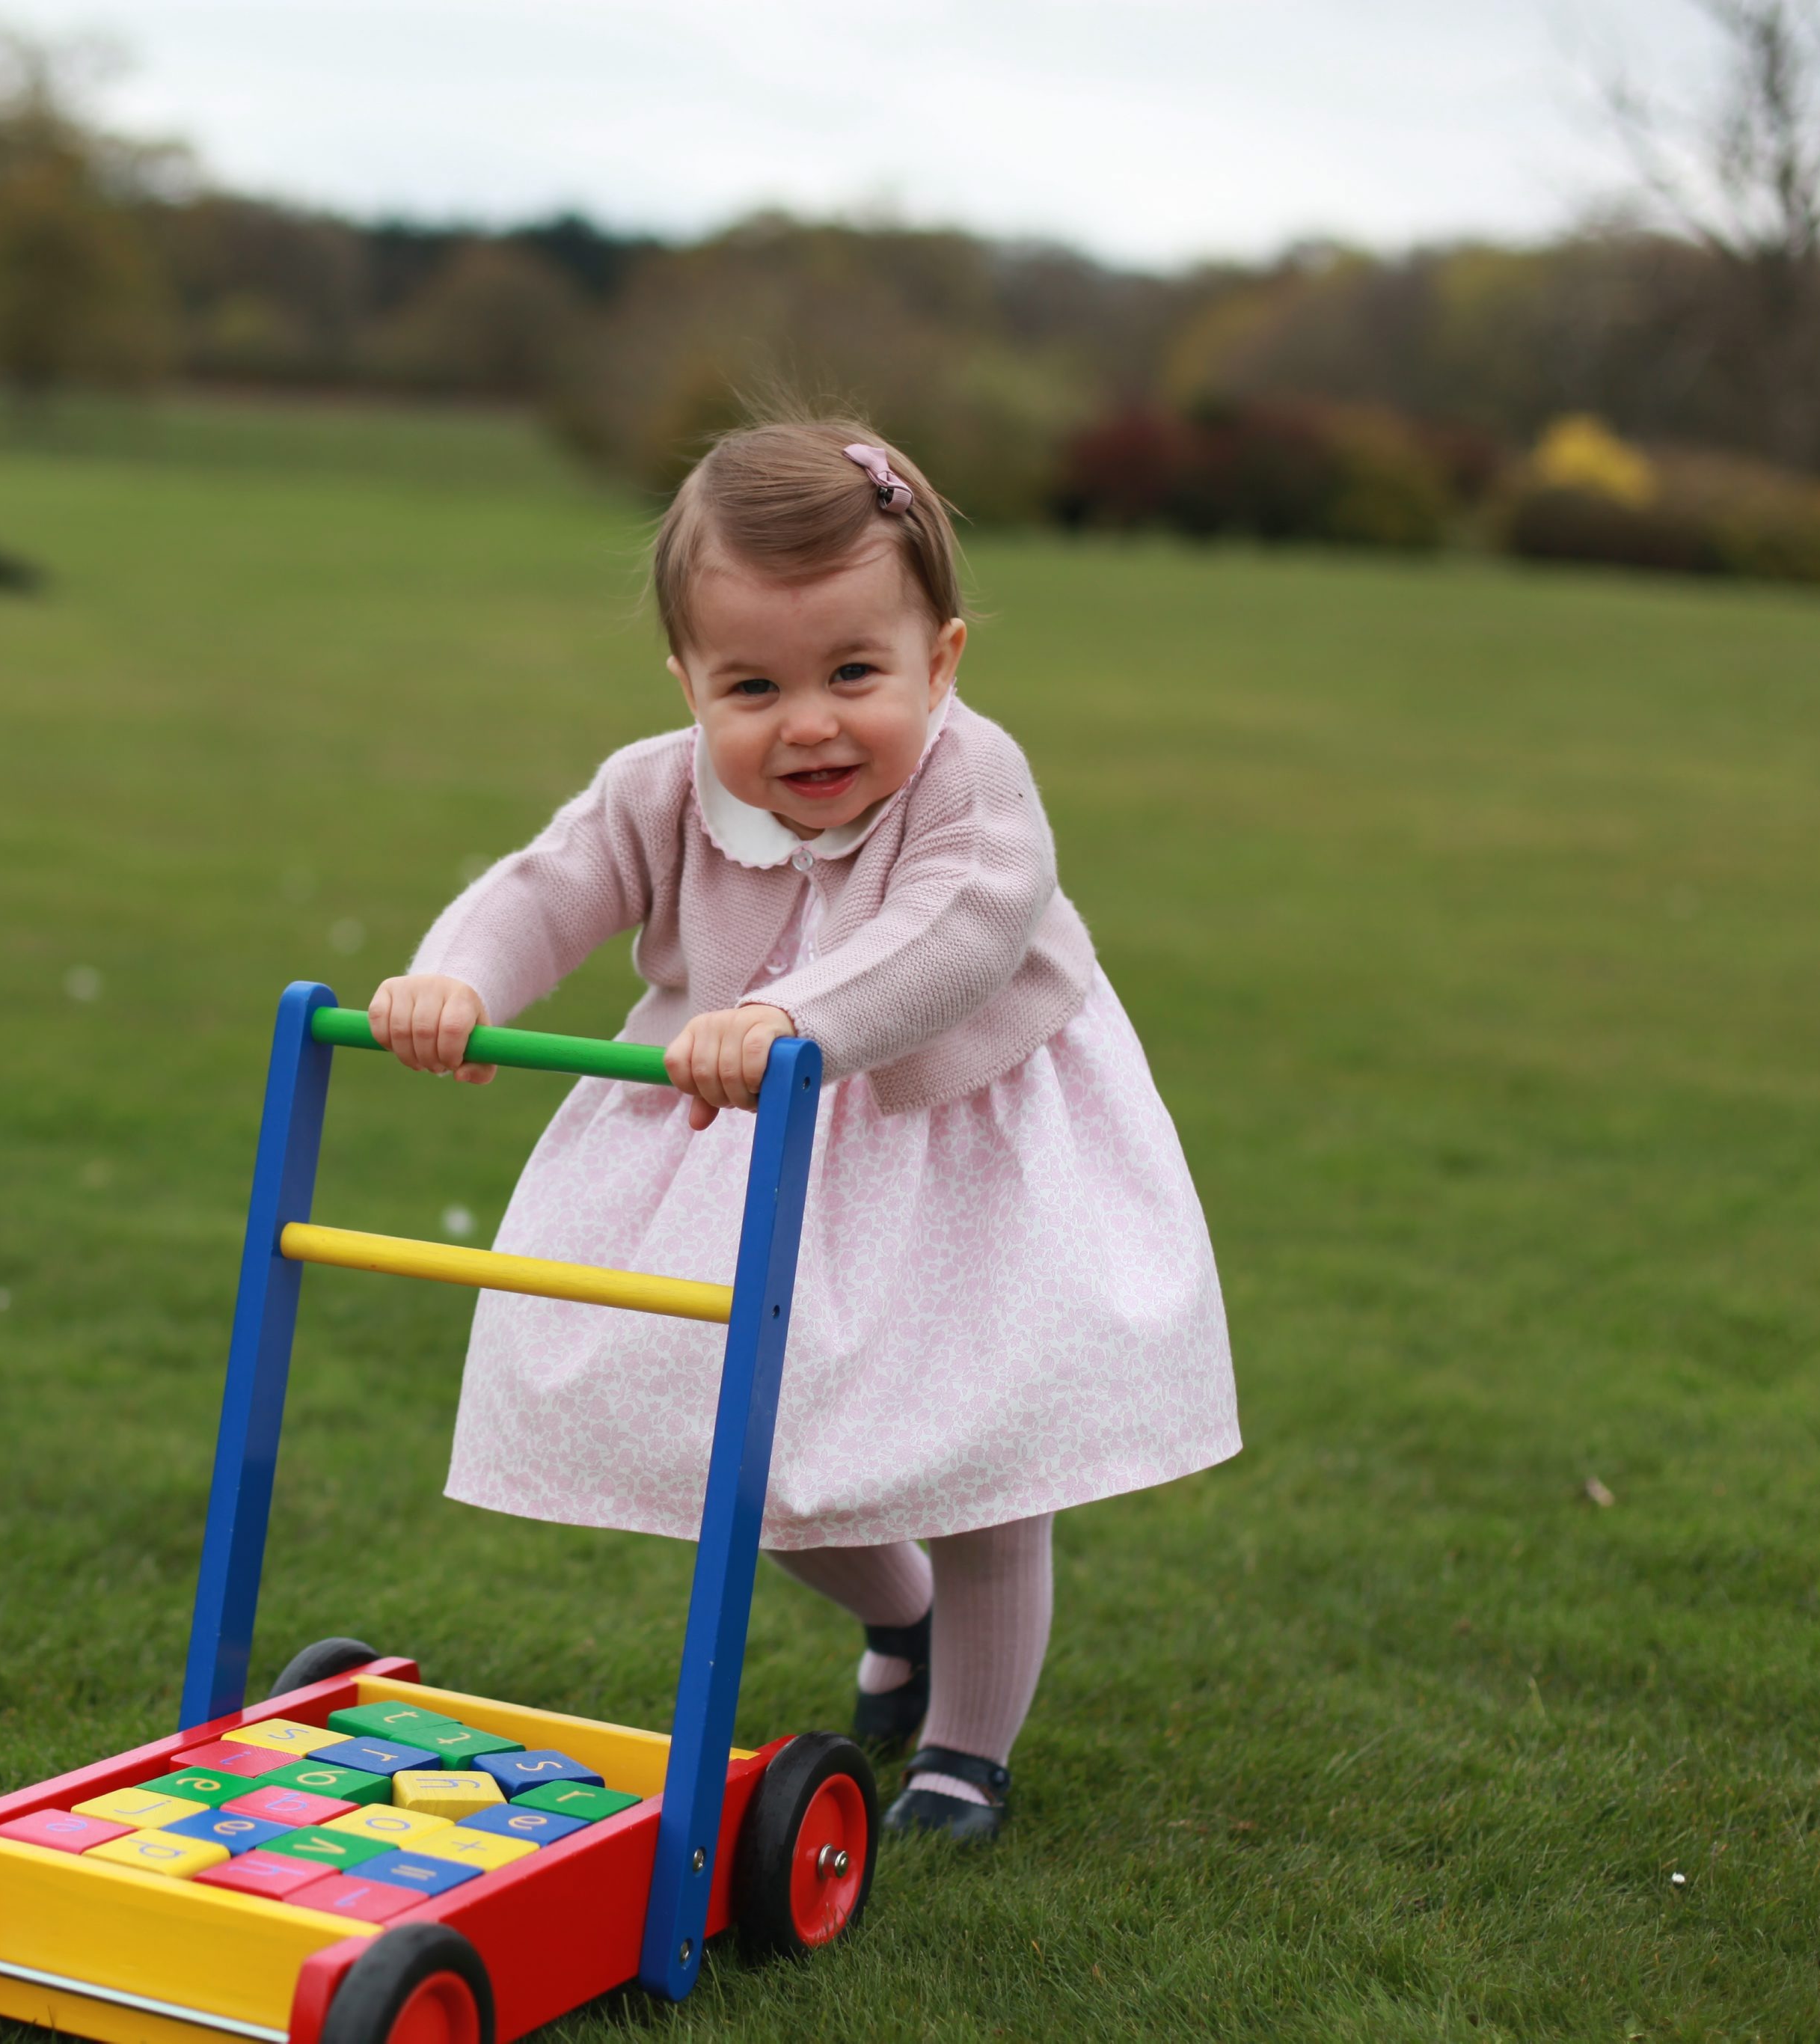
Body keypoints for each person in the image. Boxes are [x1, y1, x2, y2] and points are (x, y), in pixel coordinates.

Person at [368, 414, 1239, 1843]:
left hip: (961, 1142)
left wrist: (791, 1018)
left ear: (940, 658)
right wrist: (459, 976)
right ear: (689, 681)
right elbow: (549, 881)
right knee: (747, 1446)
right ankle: (901, 1619)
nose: (810, 723)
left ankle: (967, 1753)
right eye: (753, 685)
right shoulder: (660, 788)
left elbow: (959, 930)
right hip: (755, 1142)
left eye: (853, 672)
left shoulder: (971, 782)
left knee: (978, 1453)